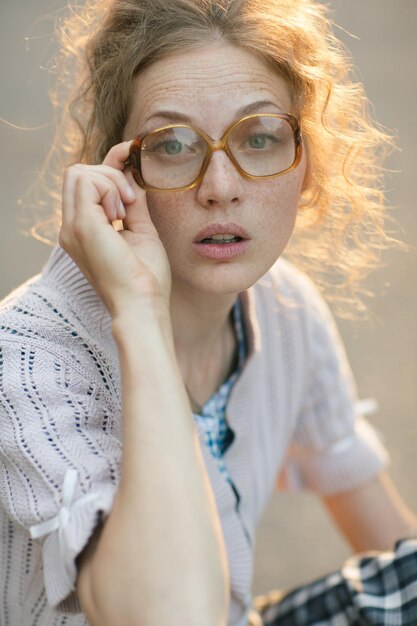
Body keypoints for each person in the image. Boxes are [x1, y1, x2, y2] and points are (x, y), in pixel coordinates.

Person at [0, 0, 416, 625]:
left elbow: (392, 554)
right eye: (173, 144)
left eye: (260, 137)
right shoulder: (29, 358)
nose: (220, 185)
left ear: (306, 164)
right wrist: (140, 315)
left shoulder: (285, 309)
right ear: (119, 173)